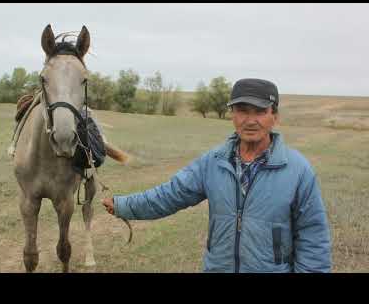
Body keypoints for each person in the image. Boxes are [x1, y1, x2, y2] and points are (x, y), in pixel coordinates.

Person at [101, 78, 331, 273]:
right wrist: (124, 205)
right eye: (242, 111)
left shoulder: (298, 170)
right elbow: (170, 195)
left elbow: (313, 239)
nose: (250, 120)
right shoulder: (213, 162)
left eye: (260, 111)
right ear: (232, 114)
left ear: (275, 116)